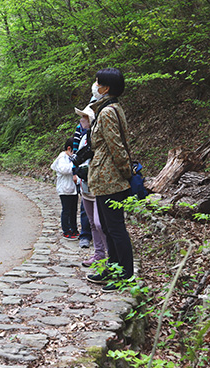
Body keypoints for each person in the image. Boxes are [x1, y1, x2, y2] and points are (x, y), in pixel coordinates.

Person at [86, 68, 134, 292]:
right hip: (104, 177)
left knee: (115, 228)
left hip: (111, 178)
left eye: (97, 83)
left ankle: (125, 274)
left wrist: (126, 172)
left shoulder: (107, 112)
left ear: (105, 88)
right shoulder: (108, 108)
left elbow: (116, 146)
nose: (94, 85)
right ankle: (114, 268)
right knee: (107, 225)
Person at [73, 105, 107, 267]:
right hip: (85, 184)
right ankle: (99, 254)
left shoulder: (96, 136)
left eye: (84, 117)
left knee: (101, 223)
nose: (81, 120)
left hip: (97, 184)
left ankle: (110, 257)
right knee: (92, 222)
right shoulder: (83, 137)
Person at [51, 138, 79, 240]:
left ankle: (74, 229)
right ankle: (66, 230)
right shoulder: (62, 157)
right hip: (64, 189)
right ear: (69, 148)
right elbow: (64, 169)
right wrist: (76, 164)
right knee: (66, 210)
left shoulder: (70, 158)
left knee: (73, 210)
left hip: (73, 188)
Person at [73, 120, 92, 249]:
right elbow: (76, 153)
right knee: (85, 207)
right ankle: (85, 235)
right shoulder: (80, 131)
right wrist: (75, 171)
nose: (81, 120)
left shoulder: (98, 128)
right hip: (84, 175)